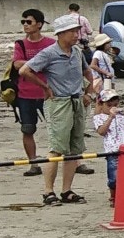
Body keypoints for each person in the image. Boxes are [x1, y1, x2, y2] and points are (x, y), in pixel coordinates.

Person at [21, 12, 90, 205]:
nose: (76, 35)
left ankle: (66, 190)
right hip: (59, 103)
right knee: (56, 148)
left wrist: (89, 91)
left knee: (74, 149)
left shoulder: (77, 52)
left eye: (77, 31)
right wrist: (44, 87)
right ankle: (48, 191)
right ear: (61, 34)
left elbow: (87, 71)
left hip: (76, 101)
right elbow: (25, 70)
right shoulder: (49, 53)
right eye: (72, 32)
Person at [12, 9, 56, 175]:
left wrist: (30, 65)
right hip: (25, 94)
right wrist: (39, 63)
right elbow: (17, 64)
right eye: (23, 22)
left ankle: (74, 160)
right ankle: (33, 163)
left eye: (28, 22)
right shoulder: (20, 44)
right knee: (28, 129)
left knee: (60, 128)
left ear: (39, 24)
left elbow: (55, 62)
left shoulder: (51, 43)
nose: (25, 25)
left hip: (49, 92)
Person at [91, 87, 124, 197]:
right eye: (109, 105)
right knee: (113, 177)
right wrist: (110, 117)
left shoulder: (122, 116)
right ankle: (114, 196)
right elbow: (101, 132)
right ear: (101, 105)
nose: (113, 108)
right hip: (112, 151)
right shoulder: (99, 117)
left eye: (115, 105)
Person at [85, 33, 116, 103]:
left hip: (106, 80)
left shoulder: (104, 53)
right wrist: (106, 73)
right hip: (102, 80)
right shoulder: (98, 53)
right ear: (103, 45)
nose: (110, 45)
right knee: (102, 99)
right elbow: (93, 65)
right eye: (108, 43)